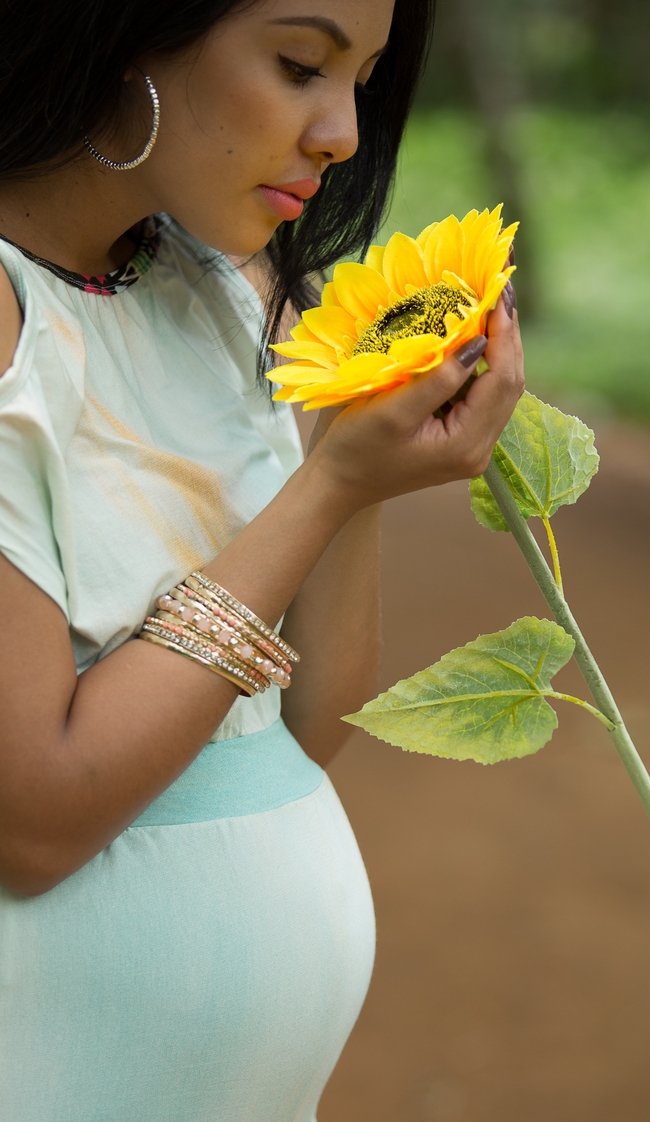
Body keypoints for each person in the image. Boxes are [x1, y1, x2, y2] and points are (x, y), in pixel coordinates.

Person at [0, 1, 524, 1119]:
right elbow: (35, 817)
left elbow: (305, 724)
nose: (340, 131)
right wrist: (325, 487)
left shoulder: (219, 285)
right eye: (299, 66)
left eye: (364, 80)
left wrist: (352, 446)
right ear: (125, 28)